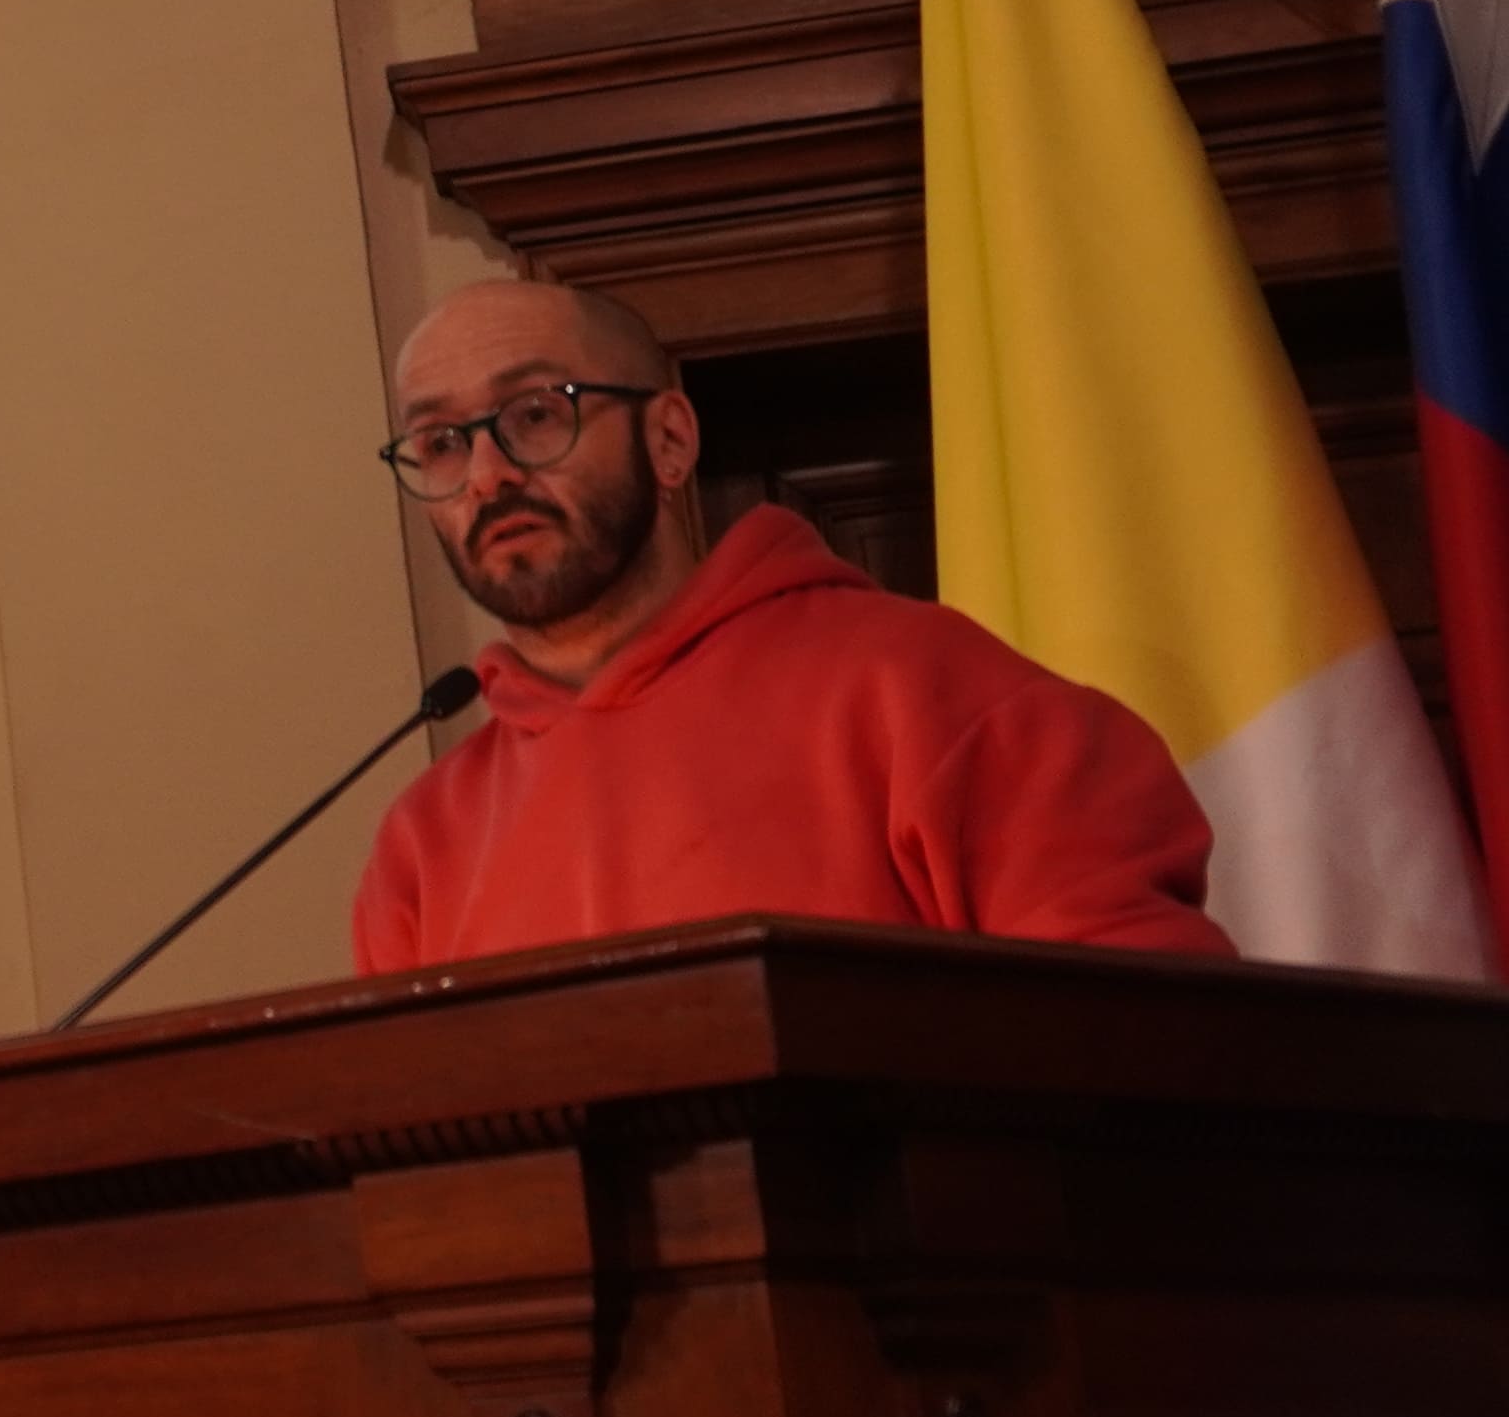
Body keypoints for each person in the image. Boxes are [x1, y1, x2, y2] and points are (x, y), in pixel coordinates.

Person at [352, 274, 1230, 969]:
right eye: (441, 443)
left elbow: (1146, 1048)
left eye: (537, 414)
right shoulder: (424, 846)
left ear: (669, 441)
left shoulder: (928, 691)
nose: (487, 474)